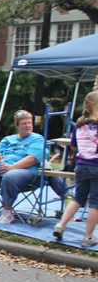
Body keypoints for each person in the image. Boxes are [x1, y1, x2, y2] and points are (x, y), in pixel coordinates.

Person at [0, 110, 44, 224]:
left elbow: (32, 159)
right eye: (24, 123)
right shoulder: (8, 139)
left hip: (26, 170)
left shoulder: (37, 139)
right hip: (3, 166)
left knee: (10, 176)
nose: (28, 126)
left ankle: (7, 212)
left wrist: (12, 167)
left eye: (29, 123)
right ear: (17, 126)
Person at [53, 91, 98, 246]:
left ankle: (61, 224)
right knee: (95, 202)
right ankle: (88, 236)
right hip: (96, 166)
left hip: (80, 165)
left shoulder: (79, 125)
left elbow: (73, 146)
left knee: (78, 197)